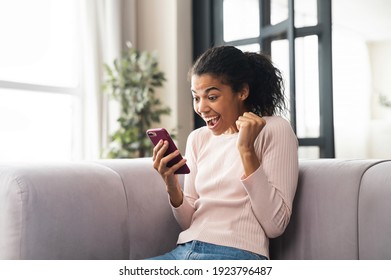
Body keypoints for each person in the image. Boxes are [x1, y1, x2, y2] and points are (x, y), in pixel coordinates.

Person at [149, 45, 299, 260]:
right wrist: (171, 184)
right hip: (184, 252)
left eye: (212, 97)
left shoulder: (274, 129)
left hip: (236, 255)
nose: (201, 108)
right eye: (196, 97)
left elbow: (276, 225)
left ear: (242, 92)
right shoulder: (198, 138)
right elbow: (189, 221)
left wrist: (246, 150)